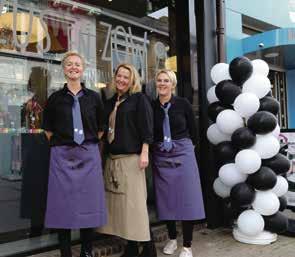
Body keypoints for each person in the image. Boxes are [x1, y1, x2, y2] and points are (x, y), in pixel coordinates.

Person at [42, 51, 107, 257]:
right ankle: (65, 253)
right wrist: (64, 145)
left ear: (83, 69)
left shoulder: (94, 98)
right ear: (64, 69)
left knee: (88, 204)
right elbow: (48, 129)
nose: (73, 67)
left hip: (88, 155)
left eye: (77, 64)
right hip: (62, 156)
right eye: (69, 64)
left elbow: (101, 127)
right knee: (63, 206)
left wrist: (85, 144)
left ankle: (86, 251)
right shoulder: (54, 99)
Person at [98, 63, 157, 257]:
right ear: (115, 78)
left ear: (132, 81)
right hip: (113, 159)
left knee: (135, 206)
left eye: (126, 77)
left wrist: (145, 152)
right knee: (121, 207)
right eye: (119, 76)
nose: (122, 80)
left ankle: (149, 249)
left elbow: (147, 127)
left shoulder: (139, 99)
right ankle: (131, 247)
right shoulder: (110, 102)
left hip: (132, 159)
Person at [152, 69, 205, 257]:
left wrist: (187, 149)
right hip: (161, 155)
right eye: (159, 80)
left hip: (183, 153)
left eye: (166, 80)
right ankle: (172, 238)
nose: (162, 83)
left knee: (187, 199)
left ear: (172, 84)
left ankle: (187, 245)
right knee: (167, 198)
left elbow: (194, 131)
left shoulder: (183, 104)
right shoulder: (151, 106)